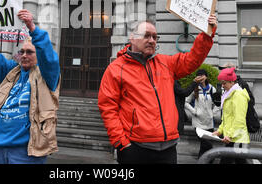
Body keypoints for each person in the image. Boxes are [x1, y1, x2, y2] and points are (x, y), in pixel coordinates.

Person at [98, 15, 217, 164]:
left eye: (155, 37)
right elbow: (107, 107)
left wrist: (206, 34)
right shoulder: (116, 69)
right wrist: (120, 142)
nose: (152, 40)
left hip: (168, 149)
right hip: (135, 149)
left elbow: (192, 60)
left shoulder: (166, 63)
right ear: (132, 38)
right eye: (147, 36)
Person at [0, 9, 60, 164]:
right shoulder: (12, 71)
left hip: (27, 150)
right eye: (22, 51)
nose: (24, 55)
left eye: (30, 52)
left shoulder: (47, 76)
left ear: (38, 55)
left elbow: (49, 58)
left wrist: (31, 26)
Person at [213, 67, 250, 164]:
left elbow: (239, 119)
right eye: (221, 83)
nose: (222, 85)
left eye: (224, 83)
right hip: (232, 137)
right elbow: (226, 117)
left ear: (232, 82)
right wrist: (220, 130)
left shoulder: (238, 95)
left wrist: (230, 135)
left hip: (237, 138)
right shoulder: (228, 94)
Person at [185, 69, 219, 159]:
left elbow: (218, 104)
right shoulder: (195, 89)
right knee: (206, 143)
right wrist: (194, 112)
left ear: (206, 76)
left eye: (203, 75)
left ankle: (203, 160)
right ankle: (211, 158)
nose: (201, 77)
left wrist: (213, 113)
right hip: (198, 122)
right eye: (199, 75)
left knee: (204, 145)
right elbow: (185, 102)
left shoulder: (212, 89)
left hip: (209, 122)